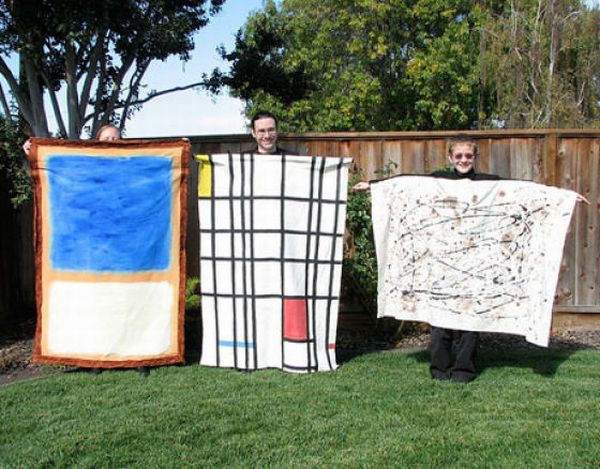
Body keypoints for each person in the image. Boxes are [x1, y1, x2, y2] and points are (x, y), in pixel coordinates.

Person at [354, 136, 589, 383]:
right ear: (450, 157)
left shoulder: (489, 184)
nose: (463, 160)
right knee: (440, 319)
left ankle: (463, 370)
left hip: (475, 266)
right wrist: (373, 185)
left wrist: (564, 197)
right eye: (459, 156)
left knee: (470, 320)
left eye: (468, 156)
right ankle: (440, 368)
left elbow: (526, 192)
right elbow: (405, 185)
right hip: (441, 266)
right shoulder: (438, 182)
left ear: (475, 157)